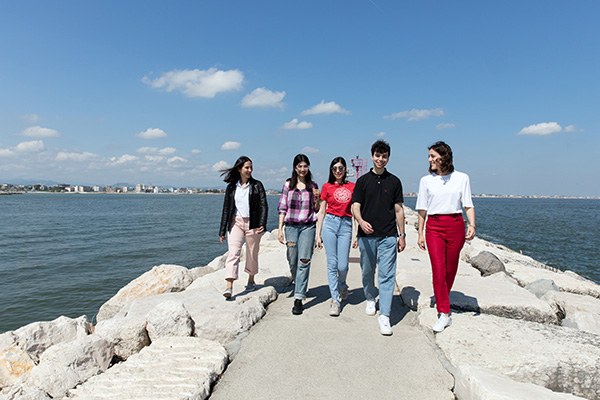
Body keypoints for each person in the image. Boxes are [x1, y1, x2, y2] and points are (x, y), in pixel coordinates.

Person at [416, 141, 476, 333]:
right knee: (438, 269)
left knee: (451, 269)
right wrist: (420, 233)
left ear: (444, 157)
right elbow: (422, 209)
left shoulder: (462, 178)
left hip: (455, 225)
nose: (430, 160)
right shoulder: (426, 181)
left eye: (433, 156)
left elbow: (468, 204)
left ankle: (442, 296)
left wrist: (472, 224)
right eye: (429, 157)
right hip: (433, 227)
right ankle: (444, 312)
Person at [351, 140, 406, 335]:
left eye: (384, 156)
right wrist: (360, 221)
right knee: (367, 271)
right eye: (377, 155)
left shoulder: (395, 181)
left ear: (388, 158)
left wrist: (402, 235)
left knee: (387, 275)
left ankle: (385, 315)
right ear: (372, 156)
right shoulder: (363, 181)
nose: (380, 159)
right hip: (366, 236)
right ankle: (369, 297)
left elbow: (399, 210)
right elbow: (355, 206)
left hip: (389, 236)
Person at [219, 156, 268, 299]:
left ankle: (251, 279)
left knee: (252, 253)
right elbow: (226, 209)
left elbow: (263, 205)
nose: (250, 170)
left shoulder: (257, 185)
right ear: (239, 169)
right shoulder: (231, 187)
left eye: (251, 167)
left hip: (253, 223)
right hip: (236, 222)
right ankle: (229, 286)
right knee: (233, 253)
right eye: (247, 167)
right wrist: (222, 231)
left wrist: (262, 224)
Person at [278, 154, 320, 315]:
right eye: (299, 166)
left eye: (305, 166)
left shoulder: (313, 186)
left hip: (308, 227)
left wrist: (317, 199)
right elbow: (282, 207)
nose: (302, 169)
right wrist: (280, 229)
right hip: (291, 227)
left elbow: (316, 209)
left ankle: (298, 298)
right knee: (292, 258)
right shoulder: (288, 185)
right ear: (295, 168)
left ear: (308, 167)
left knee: (304, 261)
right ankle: (299, 283)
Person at [316, 157, 357, 317]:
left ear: (345, 169)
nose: (338, 171)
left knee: (343, 266)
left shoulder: (352, 186)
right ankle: (335, 300)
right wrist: (318, 234)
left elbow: (355, 209)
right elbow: (322, 210)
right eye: (335, 169)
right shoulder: (326, 187)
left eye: (341, 168)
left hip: (346, 224)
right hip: (330, 224)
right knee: (331, 264)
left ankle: (342, 284)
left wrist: (357, 232)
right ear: (331, 171)